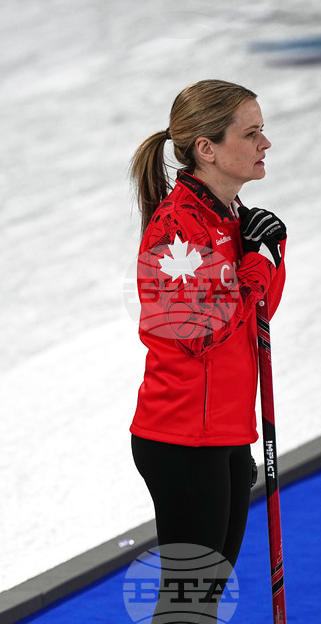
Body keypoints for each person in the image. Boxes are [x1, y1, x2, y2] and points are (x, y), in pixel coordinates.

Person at [129, 79, 287, 619]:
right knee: (188, 606)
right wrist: (254, 267)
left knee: (202, 602)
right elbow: (195, 332)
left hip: (223, 433)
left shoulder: (228, 217)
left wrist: (271, 254)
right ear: (207, 147)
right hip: (181, 439)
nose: (265, 143)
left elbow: (255, 320)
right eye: (251, 132)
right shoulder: (178, 231)